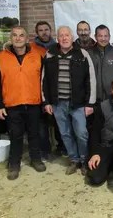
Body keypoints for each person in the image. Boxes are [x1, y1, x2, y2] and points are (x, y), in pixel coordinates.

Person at [0, 26, 46, 180]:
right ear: (11, 38)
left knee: (35, 134)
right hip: (12, 105)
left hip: (33, 103)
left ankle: (36, 159)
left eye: (21, 35)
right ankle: (14, 164)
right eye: (15, 35)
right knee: (15, 135)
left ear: (27, 39)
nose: (18, 38)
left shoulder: (37, 56)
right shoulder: (0, 58)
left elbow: (44, 80)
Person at [42, 26, 95, 175]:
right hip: (58, 103)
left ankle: (84, 160)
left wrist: (90, 103)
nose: (64, 38)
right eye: (61, 36)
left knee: (82, 133)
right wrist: (46, 102)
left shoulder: (82, 54)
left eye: (67, 35)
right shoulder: (50, 54)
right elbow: (44, 80)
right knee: (65, 133)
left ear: (72, 37)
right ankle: (74, 160)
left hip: (78, 103)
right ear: (57, 38)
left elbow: (90, 79)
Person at [32, 21, 67, 160]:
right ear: (37, 33)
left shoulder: (57, 47)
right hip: (37, 90)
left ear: (51, 31)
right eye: (40, 30)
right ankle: (45, 151)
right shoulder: (31, 48)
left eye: (46, 29)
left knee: (58, 122)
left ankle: (61, 146)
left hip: (56, 92)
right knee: (41, 124)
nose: (44, 32)